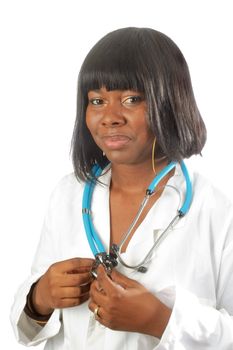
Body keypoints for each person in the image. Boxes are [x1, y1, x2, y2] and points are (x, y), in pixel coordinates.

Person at [10, 27, 233, 349]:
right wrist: (40, 297)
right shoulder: (68, 194)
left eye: (132, 99)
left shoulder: (218, 212)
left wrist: (159, 320)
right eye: (97, 101)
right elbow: (30, 318)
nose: (110, 117)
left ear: (170, 103)